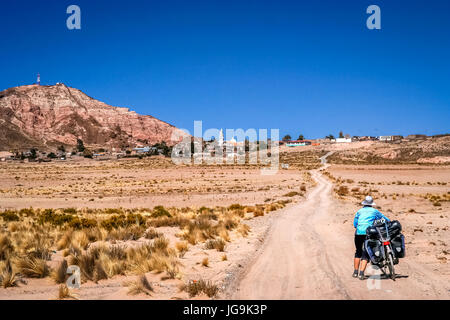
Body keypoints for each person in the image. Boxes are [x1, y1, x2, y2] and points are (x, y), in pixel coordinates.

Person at [353, 195, 390, 280]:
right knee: (366, 253)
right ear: (371, 204)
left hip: (358, 233)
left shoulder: (359, 211)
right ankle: (361, 274)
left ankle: (355, 272)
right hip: (369, 233)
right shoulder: (374, 211)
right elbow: (384, 219)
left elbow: (355, 224)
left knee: (358, 251)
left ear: (364, 203)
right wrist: (389, 222)